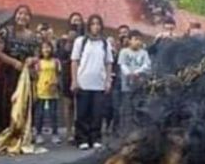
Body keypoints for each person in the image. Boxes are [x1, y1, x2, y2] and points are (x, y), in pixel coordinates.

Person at [0, 5, 39, 135]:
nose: (22, 17)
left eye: (26, 14)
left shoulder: (33, 36)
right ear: (15, 15)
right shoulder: (5, 31)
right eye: (19, 13)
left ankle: (19, 134)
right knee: (4, 103)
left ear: (29, 18)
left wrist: (32, 60)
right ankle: (1, 135)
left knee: (22, 103)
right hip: (5, 74)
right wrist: (13, 62)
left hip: (23, 75)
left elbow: (37, 55)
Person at [70, 14, 113, 150]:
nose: (95, 26)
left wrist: (108, 81)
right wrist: (74, 81)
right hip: (83, 82)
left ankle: (95, 138)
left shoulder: (105, 43)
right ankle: (81, 139)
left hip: (98, 84)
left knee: (97, 114)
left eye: (98, 24)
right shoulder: (80, 41)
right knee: (82, 113)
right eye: (93, 24)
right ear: (88, 26)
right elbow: (74, 61)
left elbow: (108, 63)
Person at [117, 30, 150, 134]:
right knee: (127, 109)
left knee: (139, 108)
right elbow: (122, 65)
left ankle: (138, 131)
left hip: (140, 87)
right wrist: (129, 74)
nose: (138, 42)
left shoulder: (144, 53)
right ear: (130, 40)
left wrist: (137, 72)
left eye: (140, 40)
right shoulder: (124, 52)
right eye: (135, 39)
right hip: (127, 87)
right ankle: (125, 132)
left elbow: (147, 65)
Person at [32, 40, 61, 145]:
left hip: (53, 90)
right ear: (41, 50)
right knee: (39, 113)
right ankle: (38, 134)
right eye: (44, 47)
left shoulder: (56, 61)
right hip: (41, 90)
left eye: (48, 47)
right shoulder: (38, 62)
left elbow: (58, 74)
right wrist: (35, 90)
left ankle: (55, 134)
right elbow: (35, 77)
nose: (46, 50)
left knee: (53, 113)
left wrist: (56, 84)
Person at [56, 28, 78, 143]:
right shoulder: (63, 48)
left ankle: (75, 131)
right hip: (66, 78)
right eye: (70, 35)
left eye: (74, 36)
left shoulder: (80, 47)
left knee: (75, 106)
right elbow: (59, 61)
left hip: (78, 77)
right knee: (67, 105)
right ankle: (69, 131)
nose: (72, 37)